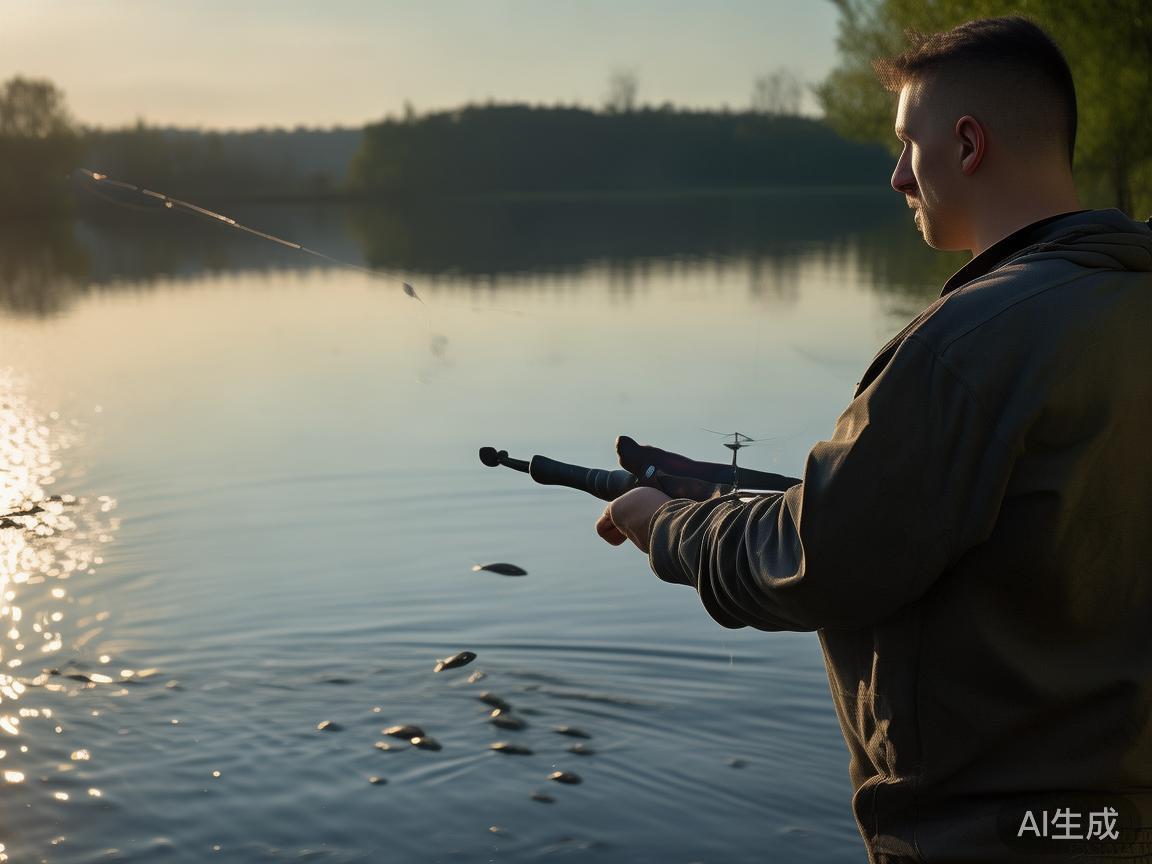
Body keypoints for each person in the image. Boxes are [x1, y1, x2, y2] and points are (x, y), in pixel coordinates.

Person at [595, 16, 1152, 864]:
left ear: (967, 144)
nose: (897, 177)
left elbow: (822, 557)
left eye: (906, 145)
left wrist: (666, 526)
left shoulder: (968, 344)